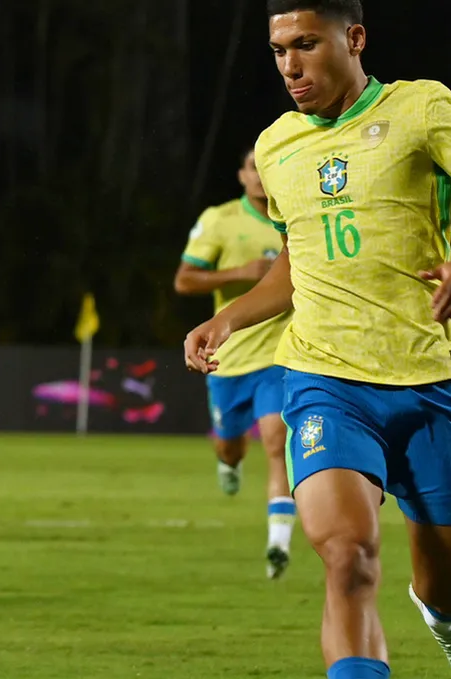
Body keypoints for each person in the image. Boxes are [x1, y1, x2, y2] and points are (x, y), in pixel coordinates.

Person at [185, 1, 451, 676]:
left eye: (306, 43)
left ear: (354, 38)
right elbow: (296, 260)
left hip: (432, 377)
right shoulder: (276, 145)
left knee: (444, 583)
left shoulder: (423, 110)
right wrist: (230, 315)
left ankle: (441, 615)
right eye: (279, 50)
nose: (289, 65)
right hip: (326, 379)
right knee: (347, 556)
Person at [174, 148, 295, 579]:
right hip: (229, 358)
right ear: (241, 176)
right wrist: (241, 273)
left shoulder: (297, 214)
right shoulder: (220, 219)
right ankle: (229, 462)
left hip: (279, 355)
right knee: (229, 443)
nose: (260, 175)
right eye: (251, 168)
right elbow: (184, 280)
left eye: (265, 168)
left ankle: (278, 542)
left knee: (277, 442)